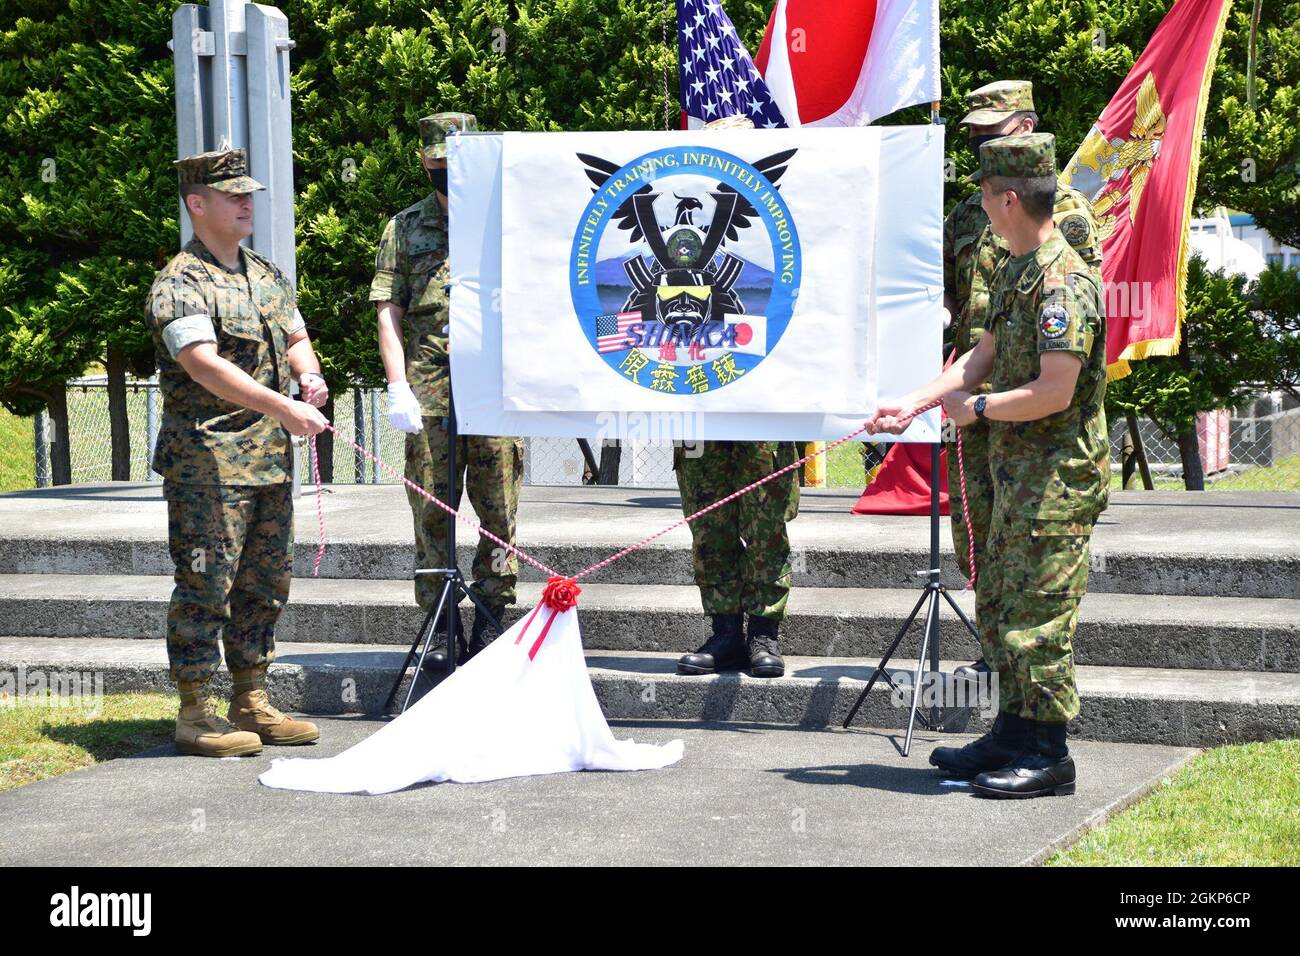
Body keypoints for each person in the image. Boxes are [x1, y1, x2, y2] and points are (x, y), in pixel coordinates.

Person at [872, 134, 1108, 798]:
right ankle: (1013, 731)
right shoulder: (1015, 268)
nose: (978, 200)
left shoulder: (1064, 281)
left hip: (1055, 482)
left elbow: (1055, 389)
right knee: (1002, 607)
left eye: (983, 191)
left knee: (1039, 616)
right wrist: (912, 403)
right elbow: (980, 357)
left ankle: (1048, 753)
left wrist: (975, 407)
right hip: (1015, 474)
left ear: (1008, 198)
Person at [145, 146, 328, 757]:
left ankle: (250, 697)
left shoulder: (266, 273)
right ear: (198, 204)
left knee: (264, 582)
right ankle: (195, 711)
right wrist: (284, 407)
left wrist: (308, 376)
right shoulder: (180, 283)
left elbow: (296, 333)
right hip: (210, 462)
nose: (247, 202)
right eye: (232, 195)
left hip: (269, 458)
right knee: (206, 581)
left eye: (249, 193)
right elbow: (203, 365)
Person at [942, 80, 1101, 682]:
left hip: (1031, 407)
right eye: (976, 136)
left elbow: (1074, 320)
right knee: (980, 536)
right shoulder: (969, 212)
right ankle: (998, 653)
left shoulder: (1063, 216)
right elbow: (962, 314)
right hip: (978, 395)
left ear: (1027, 128)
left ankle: (1028, 665)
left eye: (993, 132)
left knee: (1033, 549)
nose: (983, 145)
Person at [372, 112, 524, 671]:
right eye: (437, 160)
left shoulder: (503, 220)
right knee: (431, 506)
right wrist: (396, 385)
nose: (445, 170)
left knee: (498, 503)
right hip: (430, 383)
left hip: (493, 380)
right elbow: (389, 309)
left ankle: (491, 616)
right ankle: (439, 623)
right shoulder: (404, 227)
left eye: (455, 160)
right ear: (422, 159)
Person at [674, 113, 800, 680]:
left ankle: (765, 635)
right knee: (709, 519)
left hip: (764, 399)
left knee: (765, 518)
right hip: (697, 398)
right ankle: (725, 631)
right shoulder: (682, 242)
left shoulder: (780, 227)